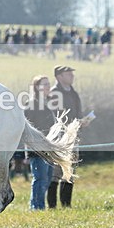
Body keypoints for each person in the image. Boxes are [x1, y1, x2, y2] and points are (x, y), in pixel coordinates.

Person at [47, 65, 91, 207]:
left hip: (73, 137)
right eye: (68, 74)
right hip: (59, 138)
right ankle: (52, 206)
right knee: (56, 171)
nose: (72, 76)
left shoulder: (74, 94)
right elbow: (54, 117)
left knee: (70, 170)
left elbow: (77, 114)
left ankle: (66, 205)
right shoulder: (54, 94)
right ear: (59, 77)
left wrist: (82, 122)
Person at [24, 75, 56, 209]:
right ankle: (36, 207)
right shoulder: (31, 105)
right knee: (40, 179)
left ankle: (38, 205)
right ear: (37, 87)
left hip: (49, 147)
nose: (48, 86)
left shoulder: (49, 103)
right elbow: (26, 128)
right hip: (37, 149)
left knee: (47, 178)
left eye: (49, 84)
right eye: (45, 84)